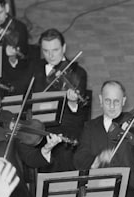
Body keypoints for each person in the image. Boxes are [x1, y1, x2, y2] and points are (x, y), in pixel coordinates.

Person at [30, 29, 89, 173]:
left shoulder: (77, 73)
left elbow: (79, 113)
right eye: (46, 51)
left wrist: (72, 102)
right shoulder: (34, 68)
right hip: (39, 126)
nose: (50, 55)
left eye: (55, 50)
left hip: (65, 125)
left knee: (62, 155)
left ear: (64, 48)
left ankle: (60, 191)